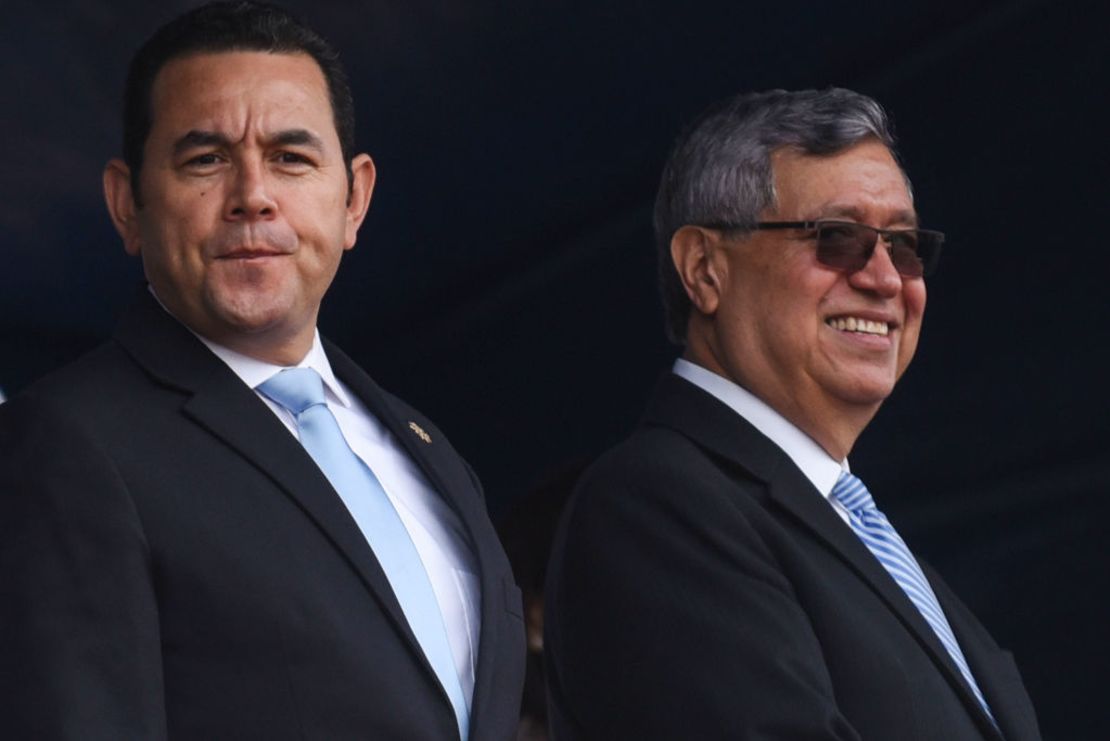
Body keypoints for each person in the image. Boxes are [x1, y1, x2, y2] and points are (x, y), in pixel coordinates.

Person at [0, 3, 523, 739]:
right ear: (127, 204)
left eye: (291, 157)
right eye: (206, 158)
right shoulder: (66, 444)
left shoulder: (425, 448)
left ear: (354, 199)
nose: (253, 195)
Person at [544, 88, 1041, 740]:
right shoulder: (656, 504)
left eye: (905, 243)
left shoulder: (855, 528)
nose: (888, 279)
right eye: (838, 237)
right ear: (705, 268)